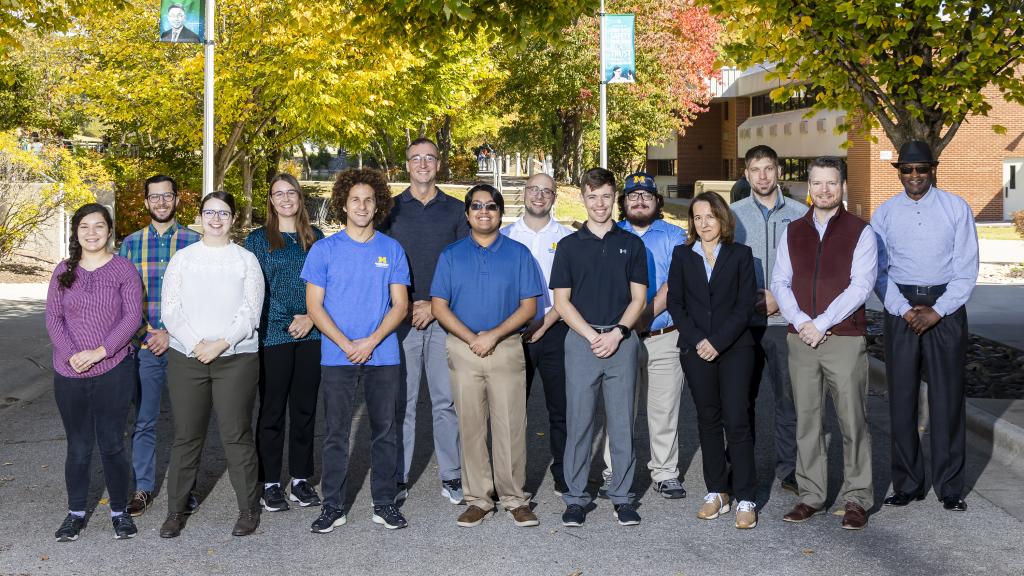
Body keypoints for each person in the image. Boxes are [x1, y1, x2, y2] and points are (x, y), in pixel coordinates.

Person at [871, 140, 979, 512]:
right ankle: (908, 483)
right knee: (901, 399)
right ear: (899, 172)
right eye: (907, 170)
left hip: (945, 309)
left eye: (921, 169)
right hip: (901, 306)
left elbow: (966, 271)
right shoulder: (884, 214)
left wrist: (938, 311)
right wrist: (903, 310)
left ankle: (949, 487)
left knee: (947, 400)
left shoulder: (956, 208)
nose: (914, 176)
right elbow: (878, 273)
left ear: (933, 169)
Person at [771, 157, 877, 530]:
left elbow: (860, 286)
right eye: (817, 183)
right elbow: (780, 282)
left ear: (843, 186)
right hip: (801, 338)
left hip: (844, 338)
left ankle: (857, 498)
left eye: (831, 183)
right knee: (808, 420)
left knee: (852, 420)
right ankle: (811, 494)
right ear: (808, 187)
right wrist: (801, 322)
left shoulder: (860, 231)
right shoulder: (793, 231)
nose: (824, 190)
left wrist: (821, 322)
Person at [303, 168, 410, 533]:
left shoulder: (391, 249)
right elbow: (314, 307)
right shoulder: (324, 249)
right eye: (355, 200)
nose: (362, 206)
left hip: (382, 355)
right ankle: (333, 506)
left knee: (384, 430)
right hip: (337, 355)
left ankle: (384, 503)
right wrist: (347, 344)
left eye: (369, 199)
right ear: (343, 205)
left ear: (377, 204)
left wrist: (370, 341)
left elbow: (400, 306)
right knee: (335, 433)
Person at [432, 184, 545, 528]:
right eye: (477, 206)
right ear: (467, 214)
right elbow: (439, 306)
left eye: (491, 206)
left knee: (510, 424)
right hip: (463, 348)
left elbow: (529, 306)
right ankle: (478, 499)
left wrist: (493, 335)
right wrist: (472, 338)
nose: (484, 212)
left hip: (507, 347)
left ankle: (514, 498)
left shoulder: (519, 253)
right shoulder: (451, 255)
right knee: (470, 424)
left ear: (500, 212)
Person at [158, 191, 265, 538]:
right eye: (209, 213)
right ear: (200, 217)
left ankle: (248, 509)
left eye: (223, 213)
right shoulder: (183, 259)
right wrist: (195, 344)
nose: (216, 219)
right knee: (187, 436)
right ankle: (175, 510)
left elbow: (250, 311)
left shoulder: (246, 260)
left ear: (233, 219)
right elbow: (170, 309)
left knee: (236, 435)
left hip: (235, 357)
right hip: (188, 358)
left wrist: (220, 343)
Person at [550, 167, 647, 528]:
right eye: (593, 197)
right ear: (583, 199)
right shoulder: (569, 246)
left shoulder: (632, 244)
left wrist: (618, 333)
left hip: (621, 341)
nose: (600, 203)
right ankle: (576, 498)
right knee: (580, 422)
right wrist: (593, 336)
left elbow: (638, 298)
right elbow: (561, 301)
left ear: (614, 198)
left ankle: (623, 497)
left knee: (622, 423)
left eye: (606, 196)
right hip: (581, 342)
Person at [46, 203, 143, 542]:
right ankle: (75, 514)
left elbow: (131, 318)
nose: (91, 232)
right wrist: (73, 355)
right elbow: (53, 319)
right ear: (76, 232)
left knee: (113, 443)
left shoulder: (124, 270)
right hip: (68, 372)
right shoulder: (62, 271)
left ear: (109, 230)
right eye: (84, 226)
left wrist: (100, 352)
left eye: (98, 226)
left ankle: (119, 512)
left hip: (113, 369)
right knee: (78, 446)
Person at [379, 137, 468, 504]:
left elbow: (463, 262)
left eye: (429, 158)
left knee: (446, 402)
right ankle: (398, 476)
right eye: (416, 158)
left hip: (443, 316)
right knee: (404, 402)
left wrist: (433, 303)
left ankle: (452, 475)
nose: (423, 164)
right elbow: (379, 263)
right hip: (401, 319)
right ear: (406, 164)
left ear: (438, 164)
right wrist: (408, 305)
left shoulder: (456, 210)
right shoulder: (390, 210)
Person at [667, 191, 758, 529]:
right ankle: (716, 491)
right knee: (707, 419)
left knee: (736, 420)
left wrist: (717, 342)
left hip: (735, 348)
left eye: (710, 216)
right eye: (697, 217)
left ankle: (746, 495)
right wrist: (698, 341)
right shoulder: (682, 255)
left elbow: (745, 304)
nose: (704, 223)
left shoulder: (741, 255)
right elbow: (676, 303)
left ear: (722, 218)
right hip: (695, 349)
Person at [119, 174, 201, 517]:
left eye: (167, 196)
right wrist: (148, 333)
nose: (161, 203)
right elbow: (122, 301)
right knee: (145, 420)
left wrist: (172, 332)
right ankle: (143, 488)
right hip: (145, 346)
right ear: (146, 201)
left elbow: (204, 298)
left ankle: (186, 490)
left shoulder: (196, 242)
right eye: (155, 197)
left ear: (177, 200)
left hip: (185, 347)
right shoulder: (130, 244)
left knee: (189, 422)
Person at [731, 145, 808, 494]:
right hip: (742, 325)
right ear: (746, 174)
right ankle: (740, 466)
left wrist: (780, 298)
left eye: (768, 168)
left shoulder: (800, 214)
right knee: (740, 399)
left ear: (778, 171)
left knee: (788, 400)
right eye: (755, 169)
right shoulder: (731, 215)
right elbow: (720, 266)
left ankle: (789, 468)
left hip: (783, 324)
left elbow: (808, 268)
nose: (762, 176)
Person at [245, 174, 324, 512]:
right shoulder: (258, 240)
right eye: (279, 193)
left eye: (291, 192)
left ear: (299, 197)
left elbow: (326, 284)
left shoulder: (316, 238)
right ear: (271, 200)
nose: (286, 198)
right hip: (273, 333)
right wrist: (285, 319)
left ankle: (302, 479)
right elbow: (254, 289)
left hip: (313, 331)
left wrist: (310, 317)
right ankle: (271, 483)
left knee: (305, 408)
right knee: (273, 409)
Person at [616, 172, 689, 500]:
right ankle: (614, 471)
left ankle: (665, 472)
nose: (640, 200)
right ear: (624, 203)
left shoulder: (674, 235)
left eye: (646, 195)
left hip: (663, 334)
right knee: (619, 407)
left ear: (657, 201)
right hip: (621, 337)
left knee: (663, 408)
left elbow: (674, 282)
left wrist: (644, 316)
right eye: (633, 196)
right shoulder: (612, 234)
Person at [501, 173, 574, 495]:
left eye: (546, 191)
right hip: (514, 334)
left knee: (562, 408)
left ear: (555, 196)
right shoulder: (503, 236)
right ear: (524, 194)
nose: (539, 196)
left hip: (556, 329)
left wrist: (544, 322)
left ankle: (563, 473)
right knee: (512, 410)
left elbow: (572, 290)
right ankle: (512, 479)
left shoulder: (569, 238)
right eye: (534, 190)